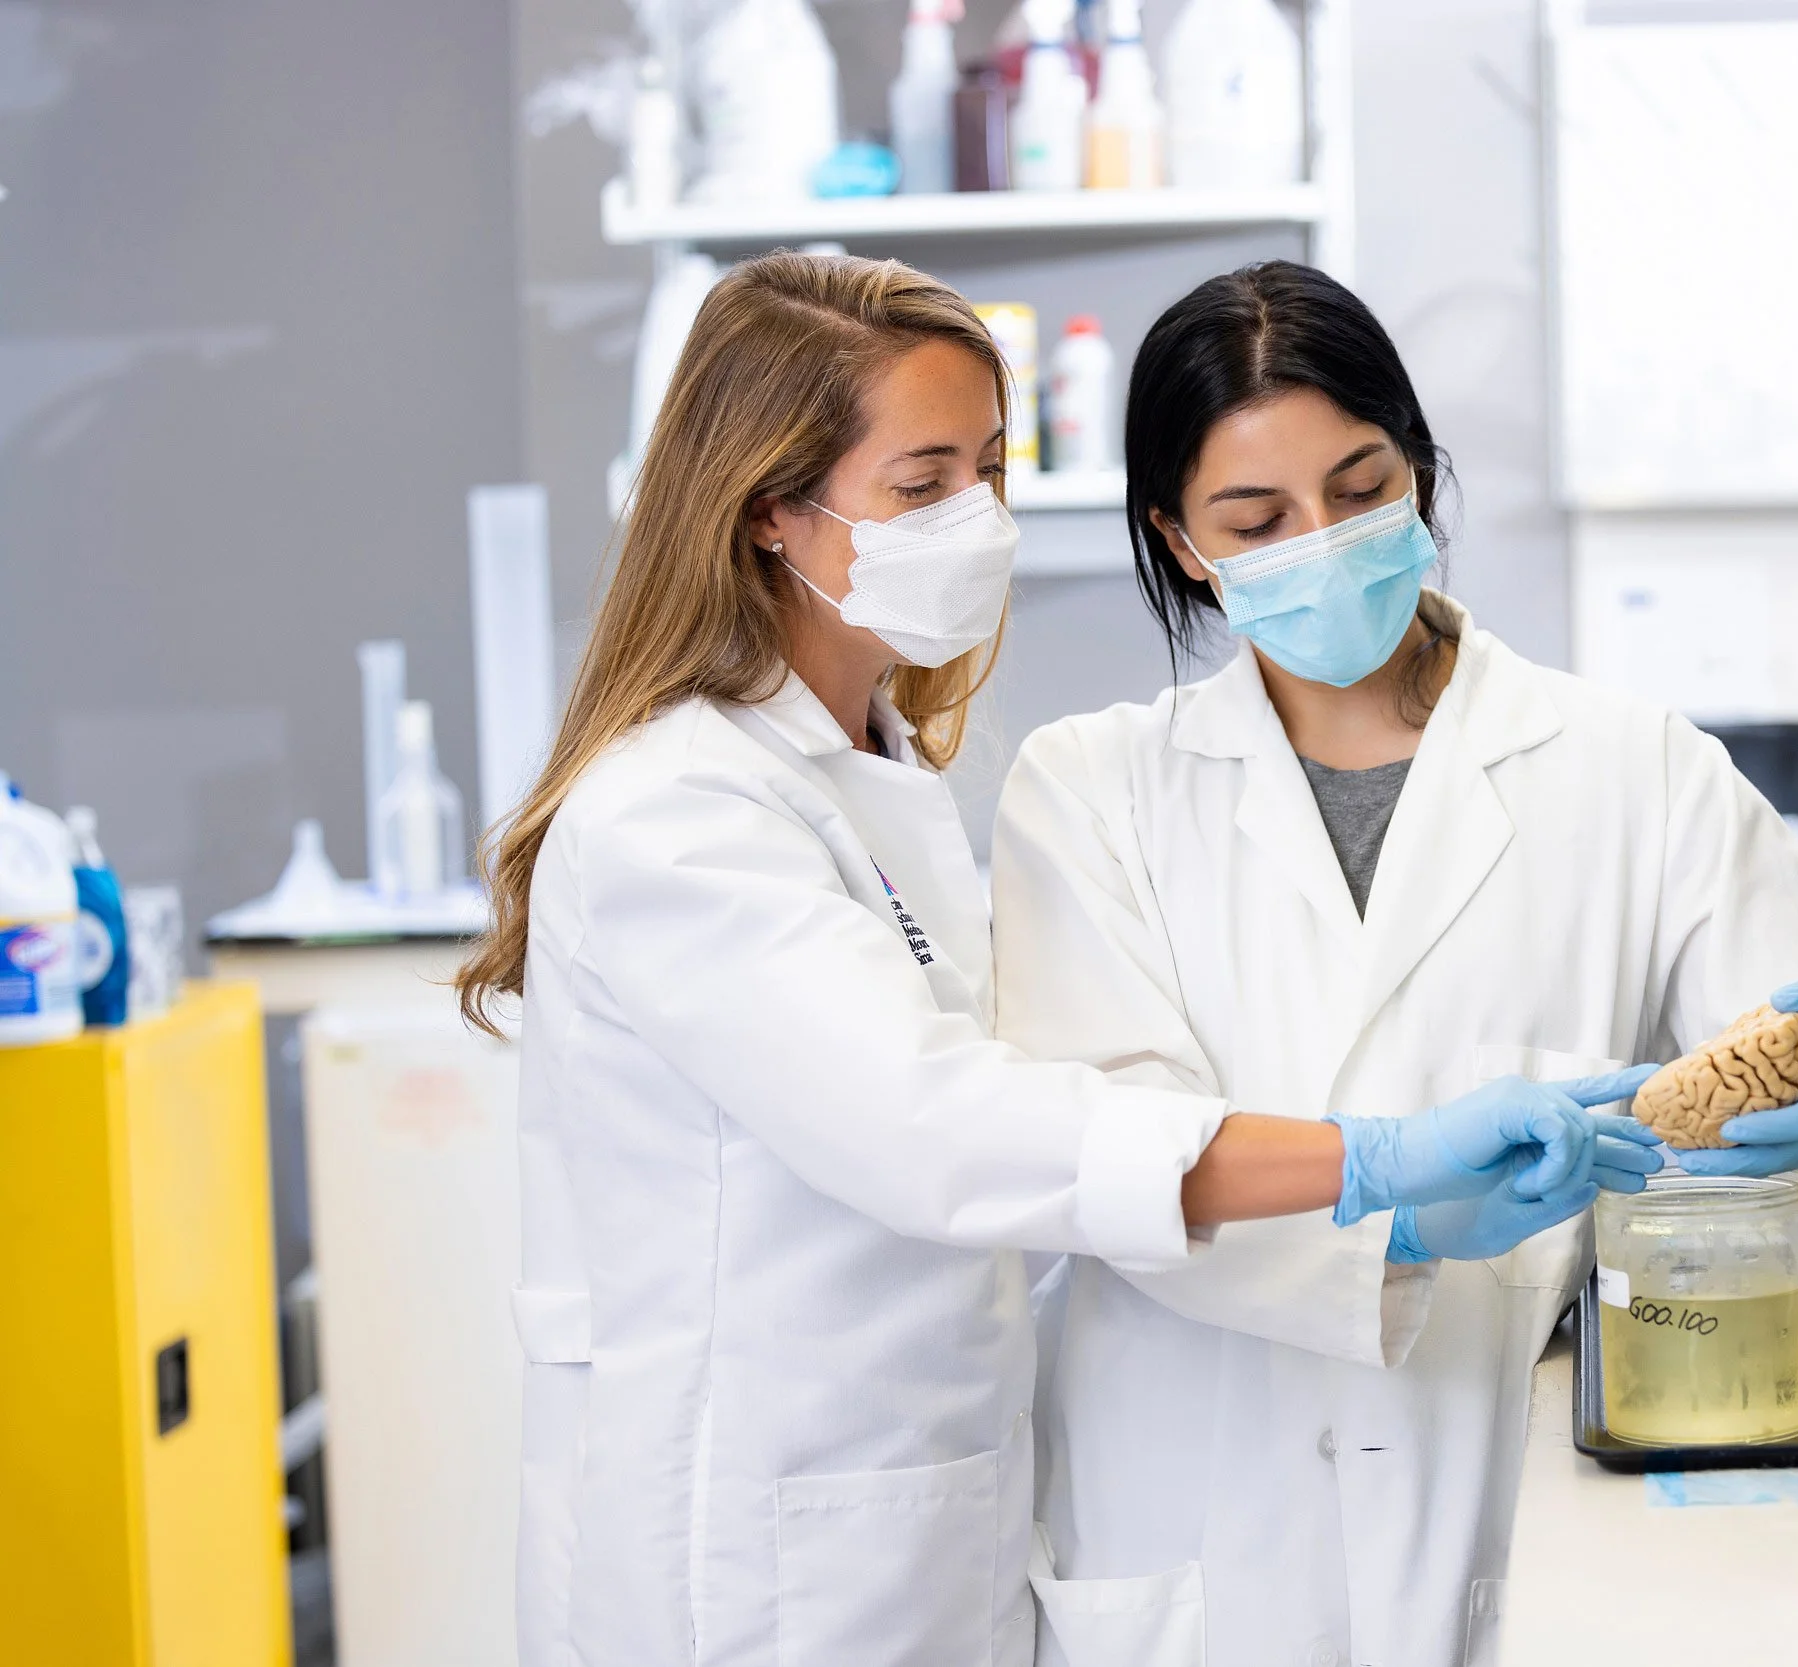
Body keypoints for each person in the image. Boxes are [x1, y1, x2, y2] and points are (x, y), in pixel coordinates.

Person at [451, 252, 1665, 1667]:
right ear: (775, 511)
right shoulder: (678, 811)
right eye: (922, 485)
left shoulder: (880, 774)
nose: (973, 518)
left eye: (990, 467)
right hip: (756, 1557)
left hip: (930, 1521)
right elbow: (943, 1127)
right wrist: (1374, 1162)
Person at [988, 261, 1798, 1667]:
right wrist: (1386, 1197)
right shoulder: (1089, 791)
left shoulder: (1634, 770)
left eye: (1359, 485)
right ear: (1181, 536)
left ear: (1419, 470)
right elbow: (1112, 1163)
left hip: (1515, 1508)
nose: (1325, 540)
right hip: (1199, 1533)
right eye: (1257, 518)